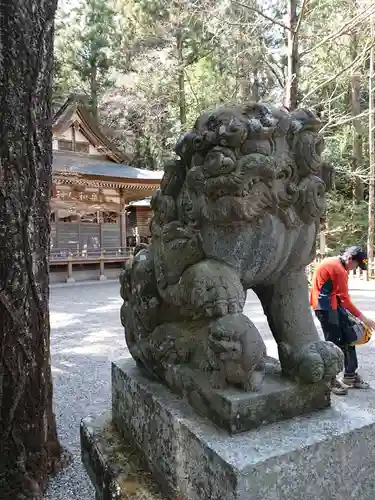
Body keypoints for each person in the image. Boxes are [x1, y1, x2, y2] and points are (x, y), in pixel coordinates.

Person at [310, 246, 375, 395]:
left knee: (348, 336)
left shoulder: (334, 263)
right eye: (356, 265)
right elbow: (345, 300)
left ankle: (350, 375)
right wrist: (364, 319)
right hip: (326, 308)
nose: (354, 268)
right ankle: (331, 379)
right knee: (333, 343)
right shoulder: (339, 269)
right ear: (350, 259)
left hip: (330, 304)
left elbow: (339, 296)